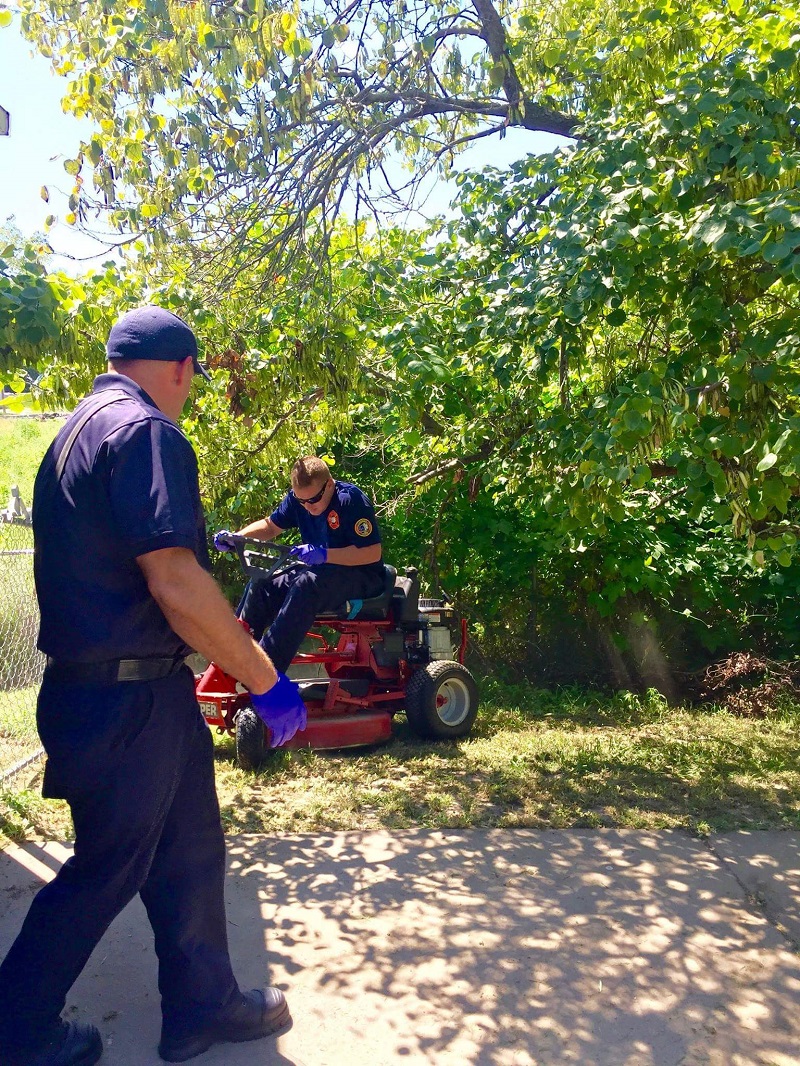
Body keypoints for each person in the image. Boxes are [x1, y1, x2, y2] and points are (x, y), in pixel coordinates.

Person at [0, 306, 307, 1066]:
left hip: (115, 694)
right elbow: (175, 577)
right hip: (126, 701)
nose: (190, 394)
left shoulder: (76, 431)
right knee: (108, 867)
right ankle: (13, 1028)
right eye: (193, 380)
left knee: (191, 848)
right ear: (178, 368)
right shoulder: (145, 432)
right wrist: (264, 678)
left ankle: (202, 1009)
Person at [215, 457, 385, 672]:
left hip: (362, 576)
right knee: (263, 580)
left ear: (329, 484)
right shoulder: (299, 500)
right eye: (301, 501)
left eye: (313, 500)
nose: (307, 506)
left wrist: (324, 555)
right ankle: (234, 657)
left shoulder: (350, 500)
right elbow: (270, 526)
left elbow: (371, 553)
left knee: (306, 585)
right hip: (322, 573)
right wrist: (237, 538)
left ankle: (265, 672)